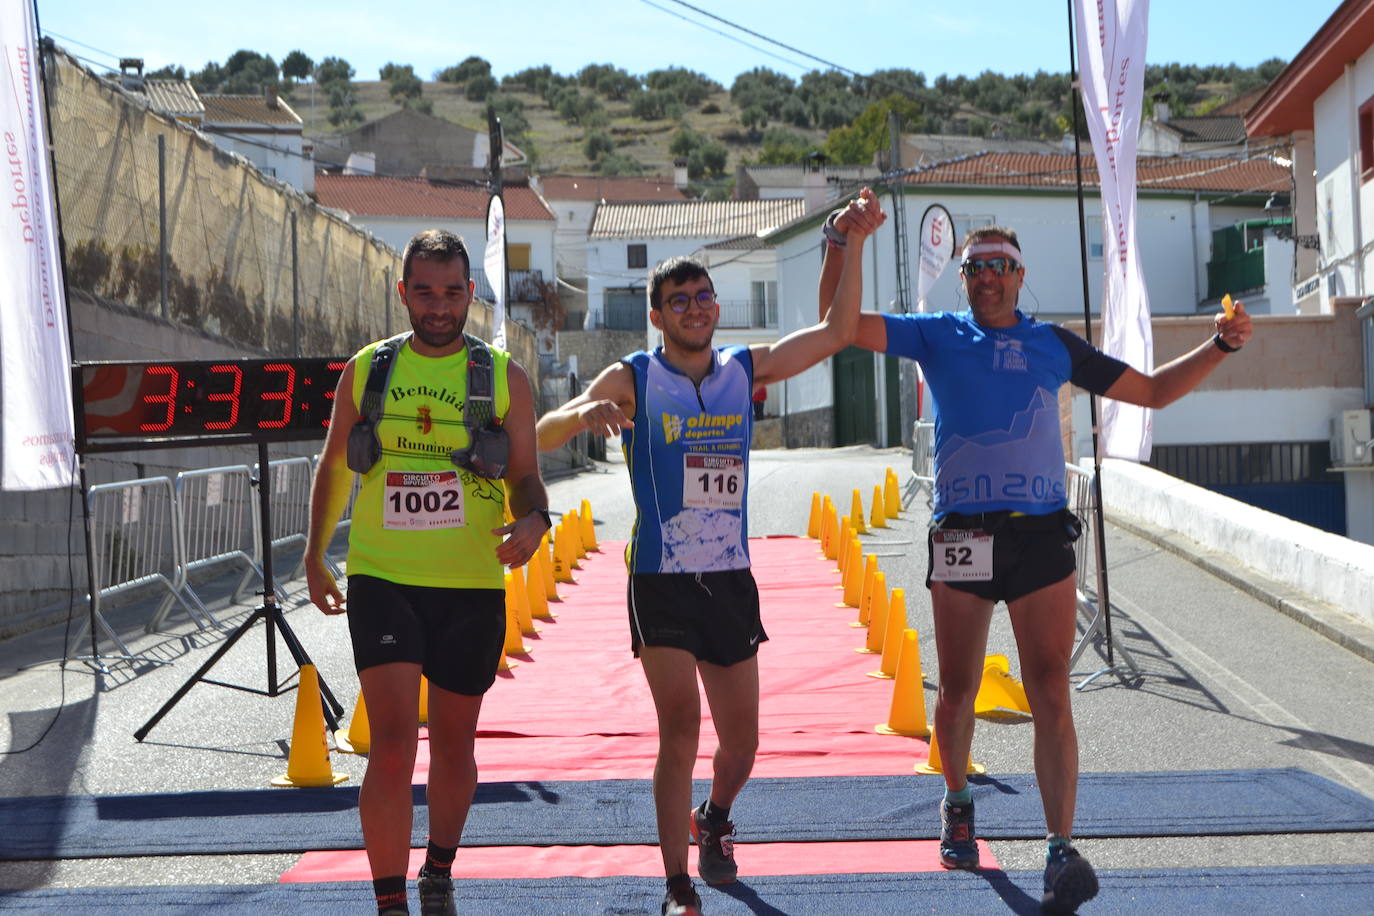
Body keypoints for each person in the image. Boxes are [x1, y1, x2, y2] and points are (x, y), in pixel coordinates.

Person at [822, 219, 1252, 914]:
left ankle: (1059, 847)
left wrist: (1220, 345)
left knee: (1051, 688)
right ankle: (957, 801)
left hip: (1042, 537)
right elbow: (836, 326)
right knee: (957, 689)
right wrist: (846, 246)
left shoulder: (1052, 344)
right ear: (962, 280)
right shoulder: (936, 334)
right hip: (962, 533)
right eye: (973, 267)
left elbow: (1150, 392)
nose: (986, 276)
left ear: (1020, 276)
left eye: (998, 264)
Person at [536, 190, 885, 916]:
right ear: (657, 315)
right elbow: (539, 432)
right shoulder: (633, 377)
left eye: (704, 296)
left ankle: (715, 818)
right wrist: (584, 412)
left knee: (743, 743)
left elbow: (837, 330)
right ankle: (675, 884)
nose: (695, 307)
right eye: (678, 300)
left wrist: (845, 244)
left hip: (729, 576)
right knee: (681, 730)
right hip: (660, 577)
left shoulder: (741, 369)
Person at [304, 229, 551, 916]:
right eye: (424, 292)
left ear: (471, 294)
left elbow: (527, 476)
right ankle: (388, 899)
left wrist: (536, 521)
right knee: (389, 745)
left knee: (453, 744)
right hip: (385, 578)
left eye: (451, 293)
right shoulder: (369, 370)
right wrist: (315, 553)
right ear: (402, 292)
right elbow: (332, 467)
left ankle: (438, 867)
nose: (438, 306)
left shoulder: (503, 378)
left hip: (470, 584)